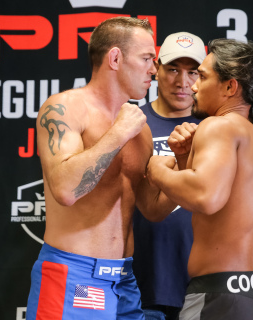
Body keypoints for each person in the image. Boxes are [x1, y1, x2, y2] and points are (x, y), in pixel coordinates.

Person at [26, 17, 174, 320]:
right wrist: (118, 134)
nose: (154, 70)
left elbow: (152, 209)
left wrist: (182, 167)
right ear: (116, 58)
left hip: (124, 280)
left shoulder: (140, 130)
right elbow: (66, 190)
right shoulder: (65, 108)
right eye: (147, 58)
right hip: (74, 275)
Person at [146, 39, 253, 319]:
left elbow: (206, 197)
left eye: (201, 76)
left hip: (221, 298)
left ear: (230, 87)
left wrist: (157, 169)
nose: (192, 86)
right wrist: (183, 160)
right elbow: (222, 209)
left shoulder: (219, 126)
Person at [132, 32, 206, 320]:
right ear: (157, 70)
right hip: (144, 278)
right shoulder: (133, 123)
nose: (182, 82)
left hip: (202, 280)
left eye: (193, 72)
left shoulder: (217, 128)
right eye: (173, 69)